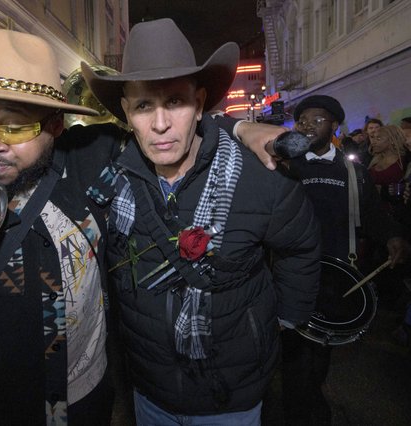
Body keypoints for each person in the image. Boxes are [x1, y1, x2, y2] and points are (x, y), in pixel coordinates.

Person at [0, 26, 288, 426]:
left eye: (16, 127)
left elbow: (167, 121)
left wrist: (241, 126)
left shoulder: (88, 157)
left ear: (56, 126)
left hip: (86, 402)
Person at [81, 18, 320, 425]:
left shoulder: (261, 175)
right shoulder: (110, 171)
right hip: (149, 387)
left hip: (233, 392)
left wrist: (282, 320)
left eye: (175, 101)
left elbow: (301, 247)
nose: (159, 125)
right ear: (125, 111)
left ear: (200, 102)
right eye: (142, 106)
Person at [282, 94, 409, 425]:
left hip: (338, 275)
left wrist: (393, 236)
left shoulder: (354, 172)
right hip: (293, 272)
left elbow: (372, 213)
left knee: (320, 350)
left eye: (317, 120)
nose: (307, 125)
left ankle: (308, 399)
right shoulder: (289, 166)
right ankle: (302, 409)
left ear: (335, 126)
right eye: (302, 120)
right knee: (294, 351)